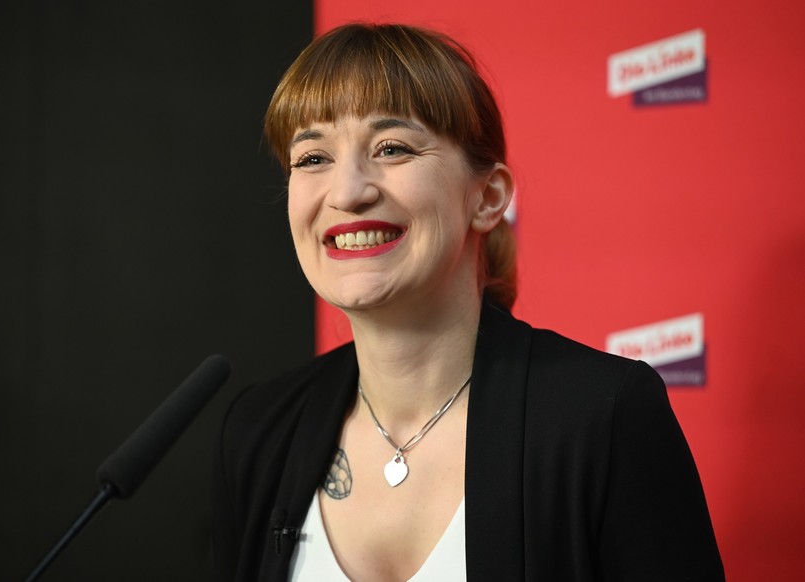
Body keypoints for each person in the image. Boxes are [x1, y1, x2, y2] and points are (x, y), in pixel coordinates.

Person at [212, 22, 724, 581]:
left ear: (488, 198)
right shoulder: (259, 431)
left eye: (391, 148)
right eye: (312, 158)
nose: (347, 192)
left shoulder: (604, 416)